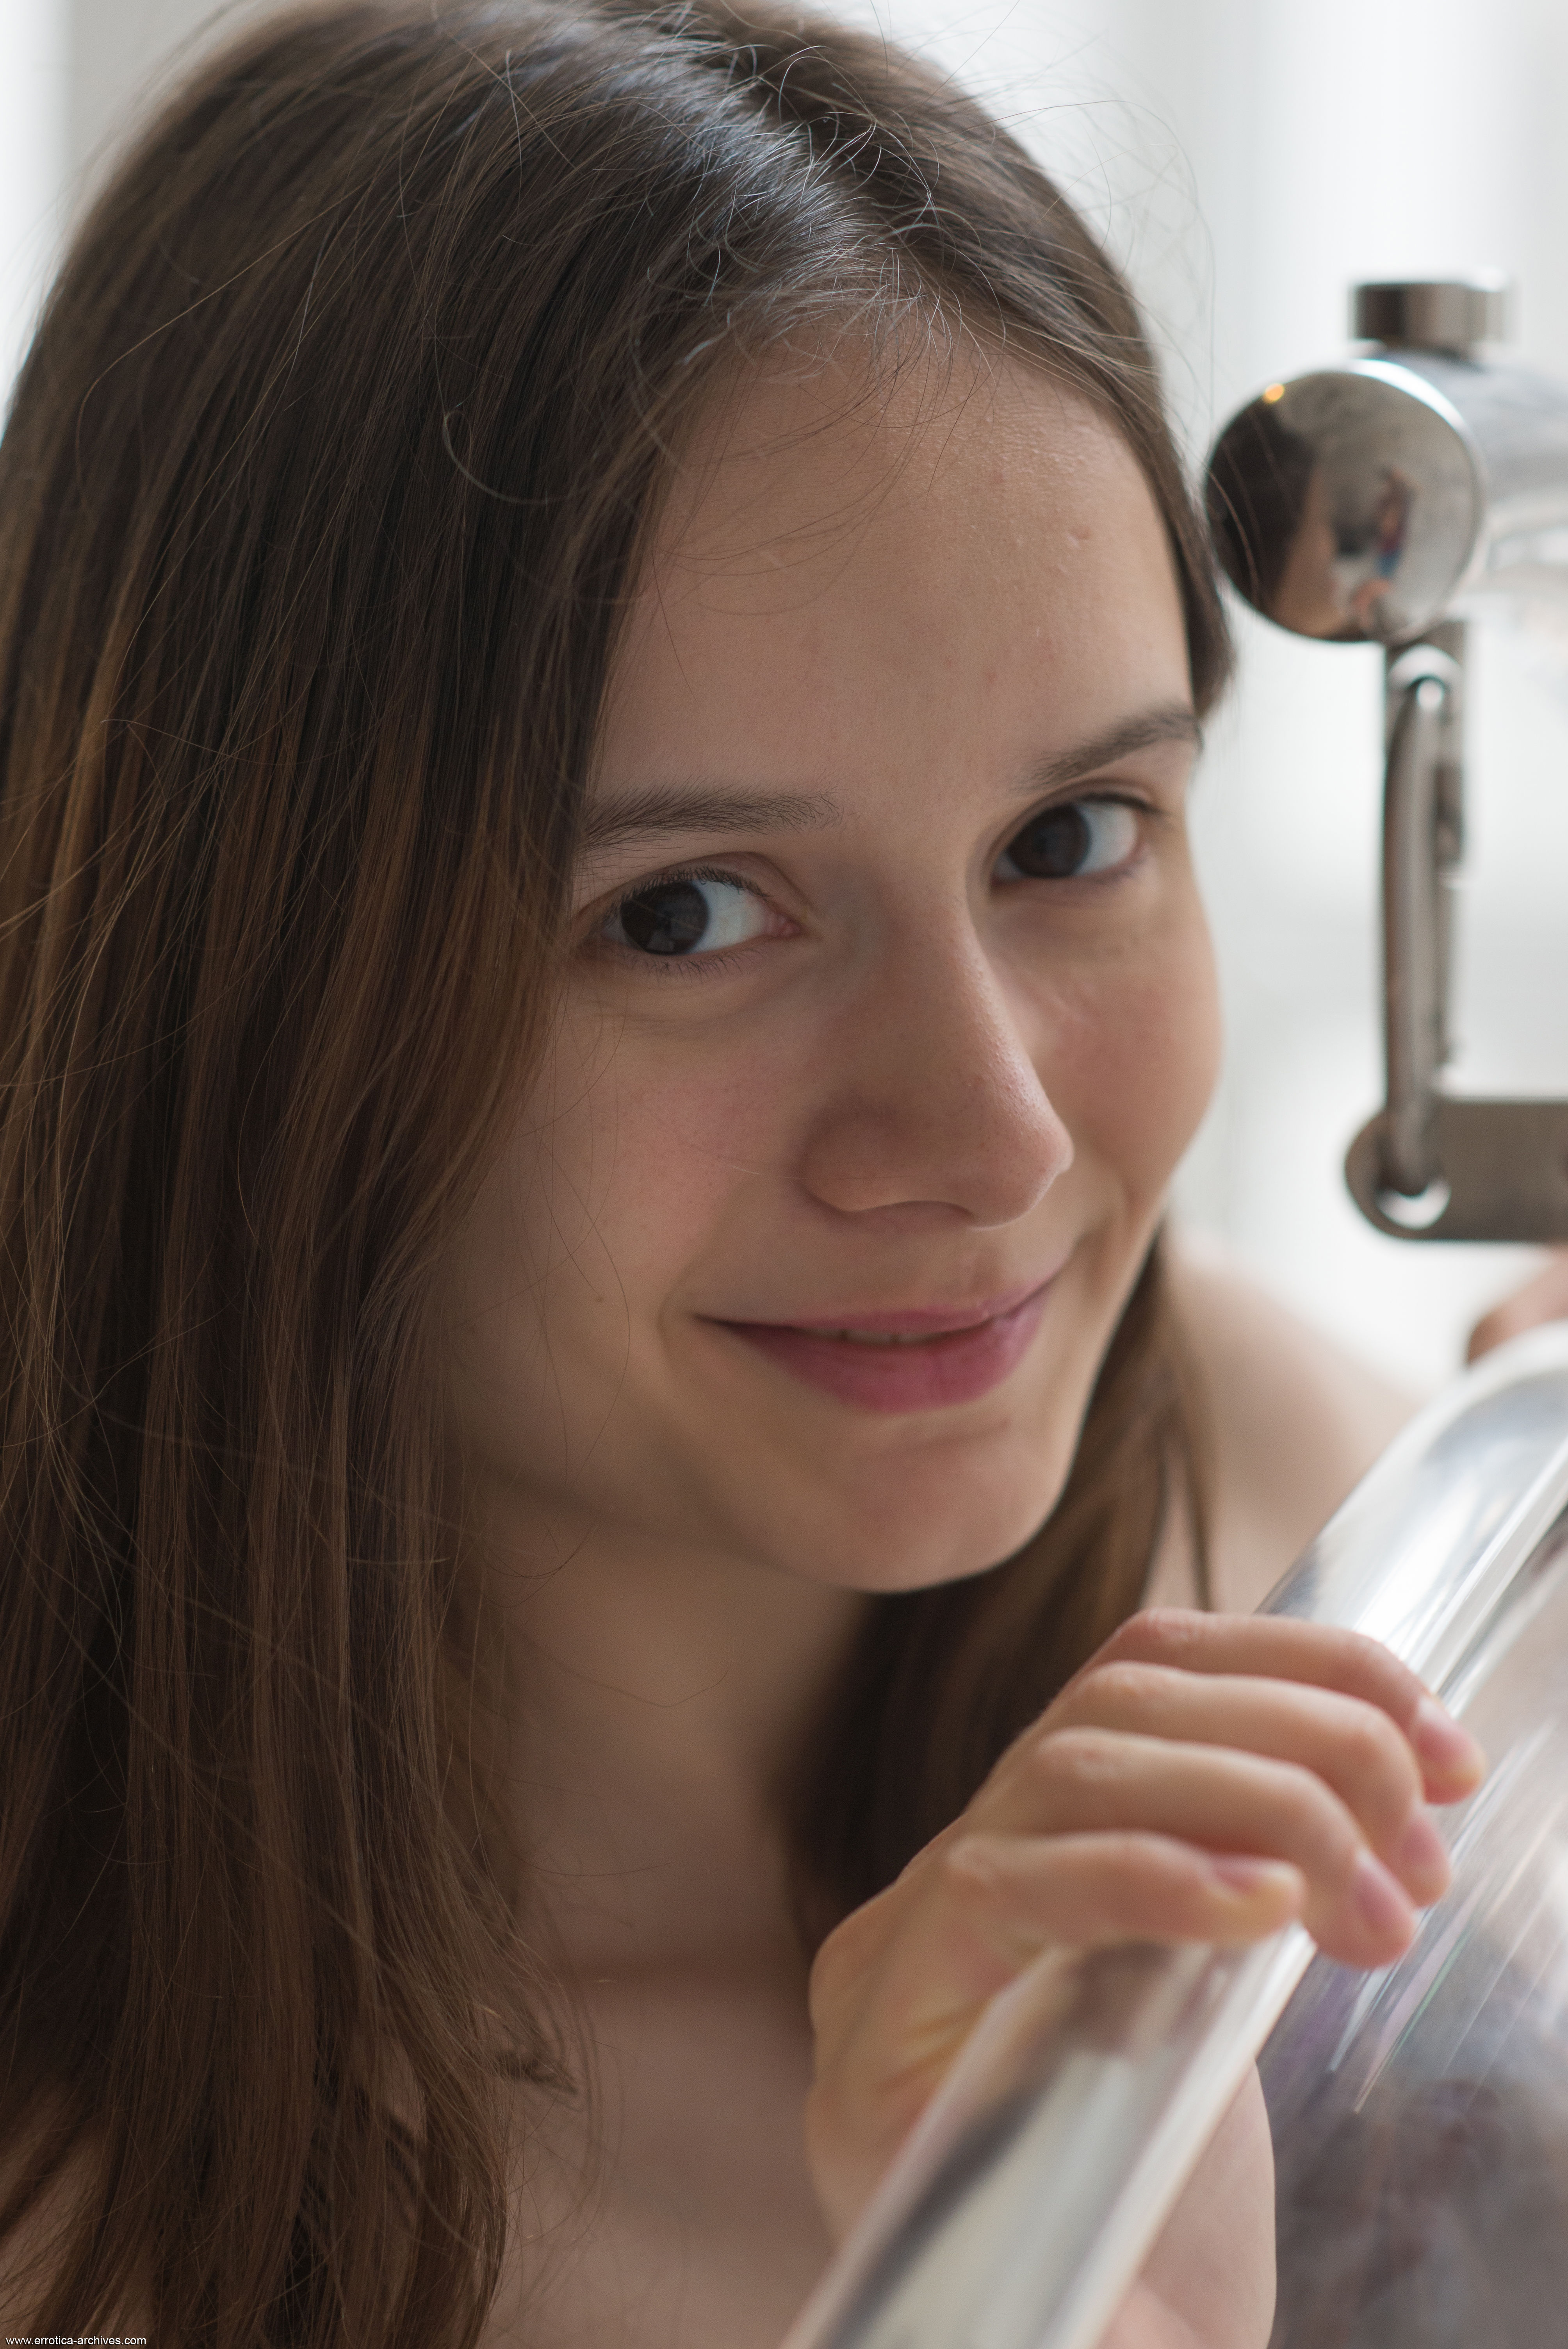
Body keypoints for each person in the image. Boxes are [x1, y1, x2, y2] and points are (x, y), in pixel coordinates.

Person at [0, 3, 1542, 2343]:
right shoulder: (78, 2228)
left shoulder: (1290, 1489)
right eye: (685, 915)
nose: (999, 1140)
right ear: (239, 989)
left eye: (1070, 838)